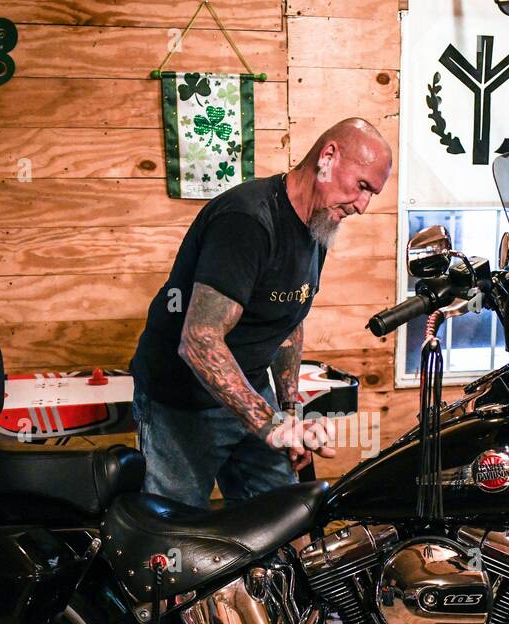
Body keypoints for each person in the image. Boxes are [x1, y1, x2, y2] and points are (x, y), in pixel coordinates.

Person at [129, 117, 393, 508]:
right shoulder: (248, 220)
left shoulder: (318, 227)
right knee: (173, 535)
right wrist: (270, 425)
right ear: (328, 157)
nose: (363, 206)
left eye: (373, 194)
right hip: (180, 402)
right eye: (362, 187)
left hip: (251, 390)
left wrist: (289, 412)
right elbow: (199, 341)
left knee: (280, 519)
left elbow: (289, 319)